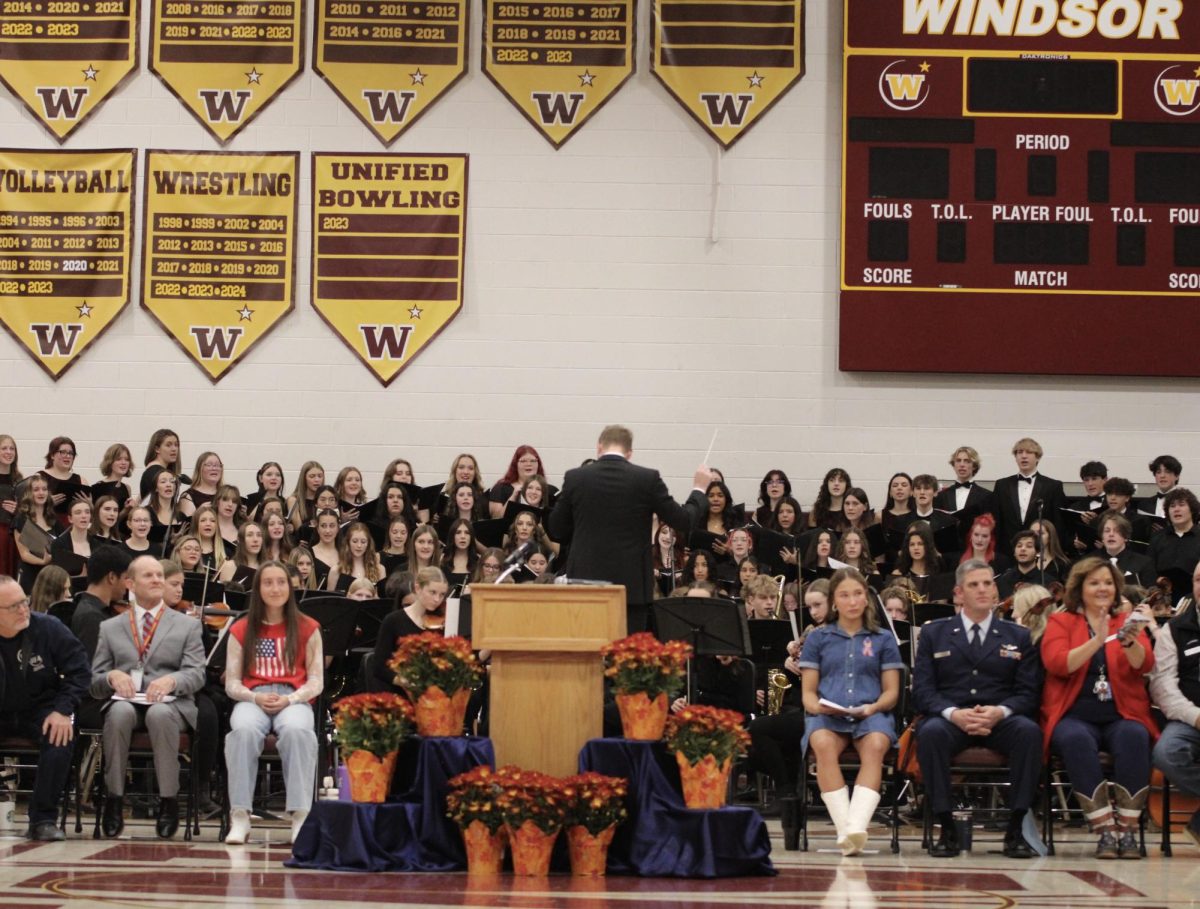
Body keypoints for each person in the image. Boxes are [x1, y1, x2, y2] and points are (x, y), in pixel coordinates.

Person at [912, 558, 1042, 858]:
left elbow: (1028, 692)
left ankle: (1015, 829)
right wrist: (953, 714)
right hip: (952, 717)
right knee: (930, 732)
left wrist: (1000, 712)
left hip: (1000, 718)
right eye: (974, 585)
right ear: (959, 593)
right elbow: (922, 691)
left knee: (1029, 732)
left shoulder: (1018, 636)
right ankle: (946, 828)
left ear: (996, 590)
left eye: (988, 583)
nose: (983, 590)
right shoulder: (935, 633)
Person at [1040, 556, 1158, 859]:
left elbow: (1144, 664)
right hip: (1074, 714)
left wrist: (1130, 642)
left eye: (1108, 582)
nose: (1103, 588)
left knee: (1134, 736)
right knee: (1076, 740)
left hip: (1122, 713)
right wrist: (1098, 641)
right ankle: (1105, 829)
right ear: (1080, 588)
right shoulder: (1060, 620)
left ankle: (1128, 831)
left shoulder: (1127, 621)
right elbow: (1057, 663)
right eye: (1095, 583)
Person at [549, 426, 711, 633]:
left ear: (599, 447)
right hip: (631, 587)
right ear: (629, 453)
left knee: (588, 653)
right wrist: (699, 488)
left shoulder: (576, 478)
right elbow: (683, 521)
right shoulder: (647, 479)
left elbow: (556, 529)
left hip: (586, 585)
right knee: (628, 655)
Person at [90, 555, 206, 838]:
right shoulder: (110, 627)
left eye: (159, 575)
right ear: (130, 583)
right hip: (126, 701)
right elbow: (94, 682)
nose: (157, 580)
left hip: (170, 704)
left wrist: (172, 680)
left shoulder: (186, 625)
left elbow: (197, 674)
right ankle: (114, 799)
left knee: (159, 714)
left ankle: (168, 801)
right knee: (118, 714)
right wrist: (111, 677)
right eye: (148, 576)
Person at [798, 567, 903, 856]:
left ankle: (855, 826)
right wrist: (814, 706)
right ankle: (848, 831)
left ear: (867, 599)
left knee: (876, 745)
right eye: (844, 595)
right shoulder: (818, 639)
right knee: (821, 743)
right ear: (834, 600)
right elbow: (808, 691)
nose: (852, 601)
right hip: (828, 714)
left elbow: (891, 693)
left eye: (858, 594)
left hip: (871, 712)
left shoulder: (883, 639)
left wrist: (873, 707)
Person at [223, 561, 323, 845]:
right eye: (268, 582)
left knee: (298, 732)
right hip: (253, 697)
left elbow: (316, 682)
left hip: (293, 698)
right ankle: (240, 814)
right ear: (258, 589)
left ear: (290, 588)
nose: (275, 588)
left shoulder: (309, 628)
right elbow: (232, 683)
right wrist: (255, 697)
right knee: (241, 732)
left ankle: (300, 815)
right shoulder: (241, 629)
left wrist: (290, 699)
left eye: (281, 582)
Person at [0, 574, 92, 840]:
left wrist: (63, 710)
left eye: (24, 602)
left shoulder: (48, 628)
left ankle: (43, 819)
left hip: (41, 708)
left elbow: (80, 672)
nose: (23, 610)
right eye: (13, 606)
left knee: (61, 738)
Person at [1149, 562, 1200, 845]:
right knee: (1166, 754)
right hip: (1188, 720)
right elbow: (1162, 686)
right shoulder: (1175, 629)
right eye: (1198, 580)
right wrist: (1195, 716)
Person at [370, 567, 450, 692]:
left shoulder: (443, 622)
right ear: (418, 588)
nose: (437, 599)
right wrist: (405, 681)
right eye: (432, 592)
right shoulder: (393, 620)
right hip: (399, 693)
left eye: (442, 595)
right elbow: (379, 667)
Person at [991, 437, 1067, 555]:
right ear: (1015, 458)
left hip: (1040, 551)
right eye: (1019, 452)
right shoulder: (1002, 485)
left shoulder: (1052, 486)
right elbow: (997, 521)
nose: (1024, 456)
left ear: (1037, 457)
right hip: (1007, 550)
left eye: (1029, 452)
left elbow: (1058, 523)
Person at [72, 545, 132, 661]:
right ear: (112, 577)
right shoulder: (91, 617)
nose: (128, 585)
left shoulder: (95, 610)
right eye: (126, 578)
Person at [934, 446, 996, 547]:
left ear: (974, 466)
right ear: (953, 465)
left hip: (975, 547)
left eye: (967, 461)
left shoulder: (987, 496)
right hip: (947, 548)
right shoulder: (941, 496)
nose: (962, 465)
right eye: (958, 461)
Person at [1098, 512, 1155, 587]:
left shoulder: (1144, 563)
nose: (1111, 534)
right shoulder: (1090, 562)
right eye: (1107, 531)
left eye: (1117, 530)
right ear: (1102, 537)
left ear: (1126, 537)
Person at [139, 429, 182, 500]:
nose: (174, 449)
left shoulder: (156, 470)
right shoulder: (155, 472)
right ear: (157, 449)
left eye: (176, 445)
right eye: (168, 445)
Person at [1137, 455, 1182, 519]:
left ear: (1177, 476)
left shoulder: (1186, 503)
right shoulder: (1144, 505)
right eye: (1158, 472)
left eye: (1167, 472)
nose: (1162, 476)